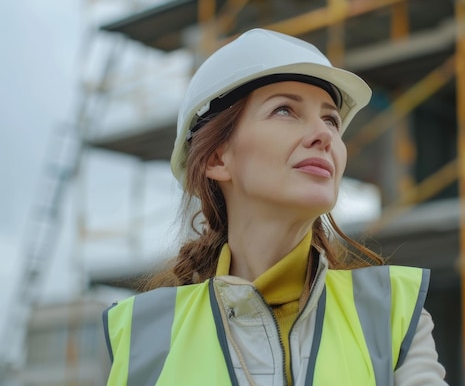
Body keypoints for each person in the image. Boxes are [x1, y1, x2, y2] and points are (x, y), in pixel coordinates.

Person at [102, 28, 447, 386]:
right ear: (218, 158)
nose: (325, 135)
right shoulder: (144, 337)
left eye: (331, 119)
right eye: (285, 110)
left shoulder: (393, 314)